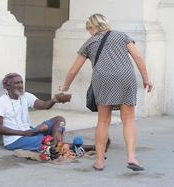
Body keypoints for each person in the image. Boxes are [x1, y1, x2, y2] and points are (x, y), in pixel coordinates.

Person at [59, 14, 153, 171]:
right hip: (125, 77)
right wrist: (146, 79)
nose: (88, 32)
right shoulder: (122, 36)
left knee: (103, 121)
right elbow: (138, 56)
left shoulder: (89, 42)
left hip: (103, 79)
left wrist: (65, 87)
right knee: (128, 119)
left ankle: (100, 162)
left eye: (88, 29)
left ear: (92, 27)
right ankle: (131, 157)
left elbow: (74, 70)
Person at [0, 73, 66, 152]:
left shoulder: (26, 96)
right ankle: (54, 145)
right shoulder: (0, 102)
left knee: (60, 120)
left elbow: (44, 105)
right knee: (45, 140)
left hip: (30, 132)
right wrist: (23, 133)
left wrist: (54, 100)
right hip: (15, 140)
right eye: (17, 83)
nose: (20, 85)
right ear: (7, 86)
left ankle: (54, 144)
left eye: (21, 82)